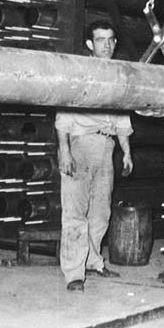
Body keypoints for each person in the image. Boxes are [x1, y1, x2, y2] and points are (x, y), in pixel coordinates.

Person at [56, 21, 133, 292]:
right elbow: (63, 114)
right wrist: (64, 151)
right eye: (100, 40)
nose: (107, 45)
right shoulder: (80, 73)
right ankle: (74, 273)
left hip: (106, 147)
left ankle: (93, 262)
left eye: (111, 40)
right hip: (80, 145)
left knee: (101, 212)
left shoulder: (118, 76)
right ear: (90, 44)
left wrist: (126, 152)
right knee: (75, 212)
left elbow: (123, 117)